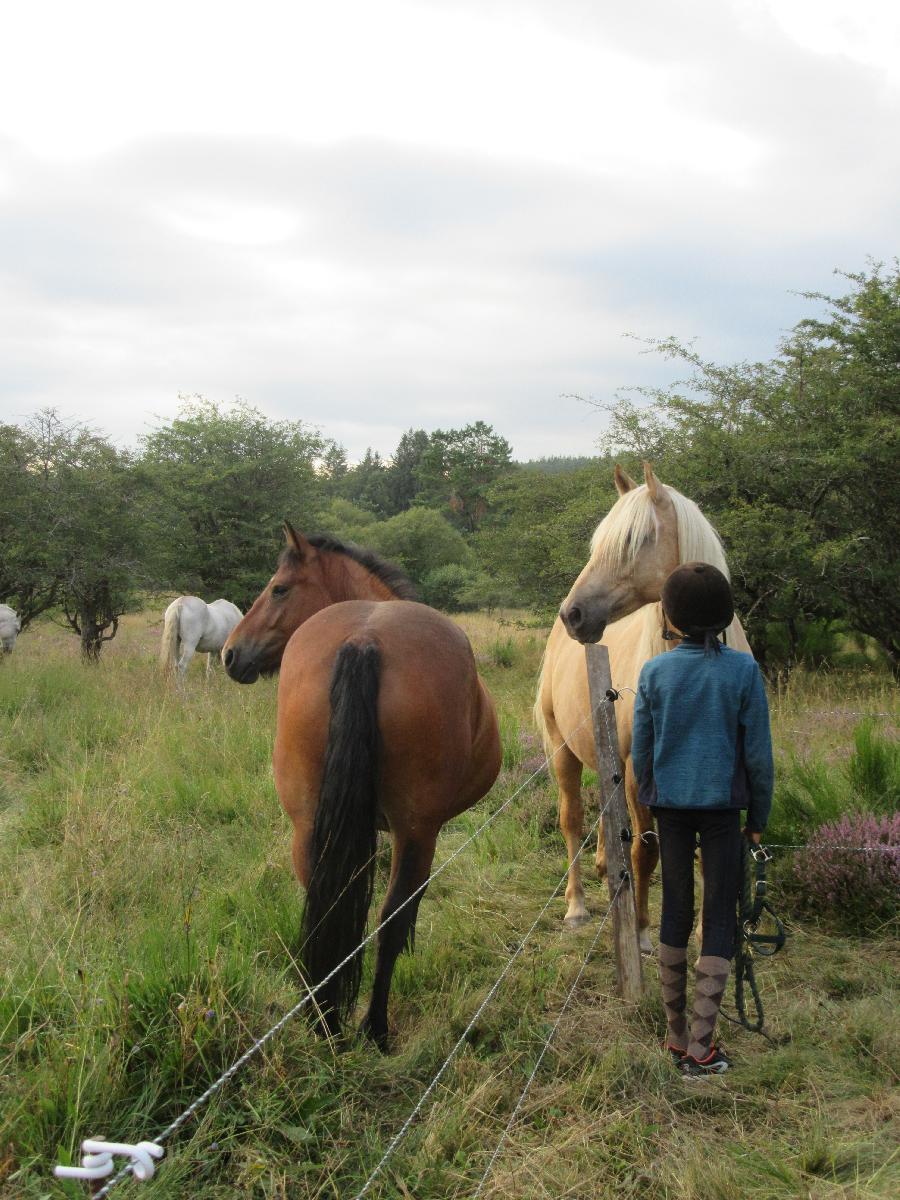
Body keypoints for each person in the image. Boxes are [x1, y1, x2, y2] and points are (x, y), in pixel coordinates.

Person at [631, 562, 774, 1078]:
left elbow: (640, 752)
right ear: (724, 616)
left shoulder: (654, 672)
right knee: (717, 916)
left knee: (674, 908)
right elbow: (758, 756)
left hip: (668, 807)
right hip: (723, 810)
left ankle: (674, 1038)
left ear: (670, 617)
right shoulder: (742, 672)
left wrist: (649, 798)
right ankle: (702, 1047)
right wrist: (757, 817)